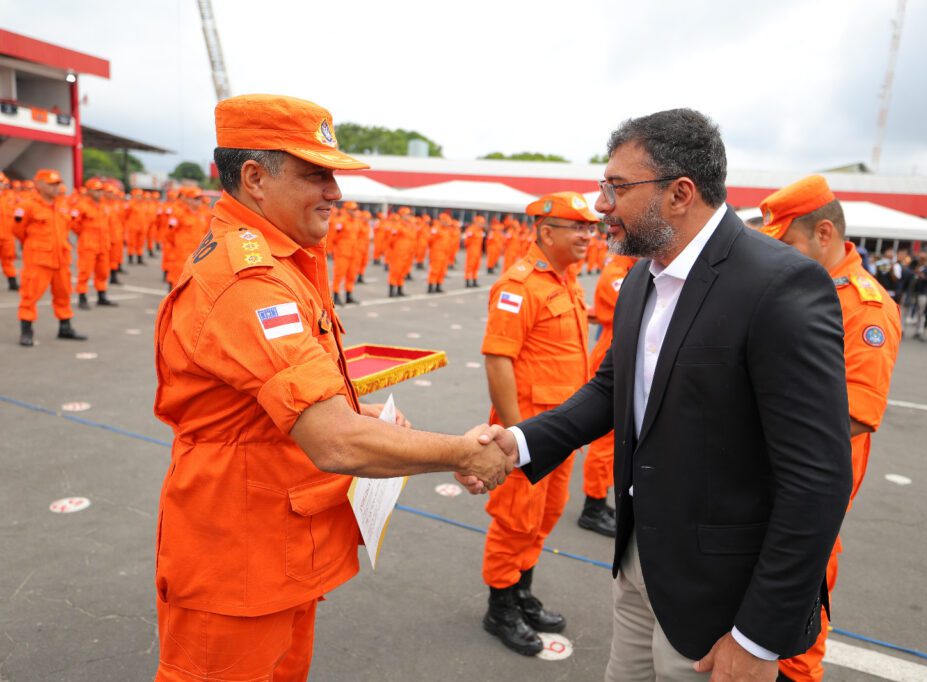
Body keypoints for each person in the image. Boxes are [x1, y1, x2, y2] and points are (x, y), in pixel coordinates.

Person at [459, 109, 851, 681]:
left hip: (719, 597)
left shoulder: (778, 284)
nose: (600, 206)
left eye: (616, 188)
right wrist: (514, 444)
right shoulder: (644, 277)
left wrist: (759, 638)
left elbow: (818, 477)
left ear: (680, 193)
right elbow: (612, 390)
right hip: (639, 560)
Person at [152, 94, 514, 681]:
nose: (336, 192)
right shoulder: (252, 282)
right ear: (254, 178)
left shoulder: (284, 262)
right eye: (315, 174)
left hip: (278, 545)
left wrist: (353, 410)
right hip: (236, 559)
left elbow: (277, 400)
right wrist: (460, 452)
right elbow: (335, 443)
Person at [758, 175, 902, 682]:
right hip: (772, 484)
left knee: (797, 638)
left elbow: (857, 414)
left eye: (789, 244)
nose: (782, 257)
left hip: (809, 492)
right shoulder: (808, 288)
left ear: (824, 233)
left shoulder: (864, 305)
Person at [478, 191, 597, 656]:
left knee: (544, 517)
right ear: (548, 232)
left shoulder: (567, 281)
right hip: (528, 435)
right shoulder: (518, 286)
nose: (590, 235)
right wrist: (515, 437)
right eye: (579, 228)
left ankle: (522, 590)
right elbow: (497, 360)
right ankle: (500, 606)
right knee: (514, 521)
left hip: (559, 432)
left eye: (591, 227)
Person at [578, 250, 636, 538]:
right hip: (612, 357)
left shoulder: (629, 269)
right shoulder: (617, 274)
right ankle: (593, 507)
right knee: (604, 442)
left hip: (620, 352)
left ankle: (599, 499)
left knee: (614, 441)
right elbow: (636, 308)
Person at [12, 169, 87, 346]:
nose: (56, 187)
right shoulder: (27, 206)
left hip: (61, 259)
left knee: (64, 294)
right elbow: (17, 230)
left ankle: (65, 327)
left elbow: (66, 228)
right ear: (38, 185)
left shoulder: (62, 205)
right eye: (51, 184)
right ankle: (26, 331)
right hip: (38, 259)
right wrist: (32, 245)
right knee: (30, 296)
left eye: (57, 183)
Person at [72, 177, 118, 309]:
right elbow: (74, 223)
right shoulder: (81, 205)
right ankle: (82, 297)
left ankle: (101, 296)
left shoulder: (104, 205)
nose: (99, 193)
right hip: (88, 244)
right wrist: (84, 234)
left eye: (100, 190)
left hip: (103, 244)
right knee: (85, 272)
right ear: (89, 191)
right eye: (96, 190)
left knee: (103, 272)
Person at [0, 171, 19, 290]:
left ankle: (12, 282)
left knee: (9, 259)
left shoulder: (11, 196)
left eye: (2, 182)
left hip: (7, 235)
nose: (2, 184)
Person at [463, 215, 486, 287]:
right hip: (472, 251)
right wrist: (470, 248)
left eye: (483, 223)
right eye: (481, 223)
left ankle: (474, 281)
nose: (482, 224)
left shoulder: (481, 231)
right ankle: (467, 281)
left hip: (478, 251)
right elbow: (466, 241)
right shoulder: (471, 230)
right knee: (470, 266)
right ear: (476, 222)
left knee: (476, 266)